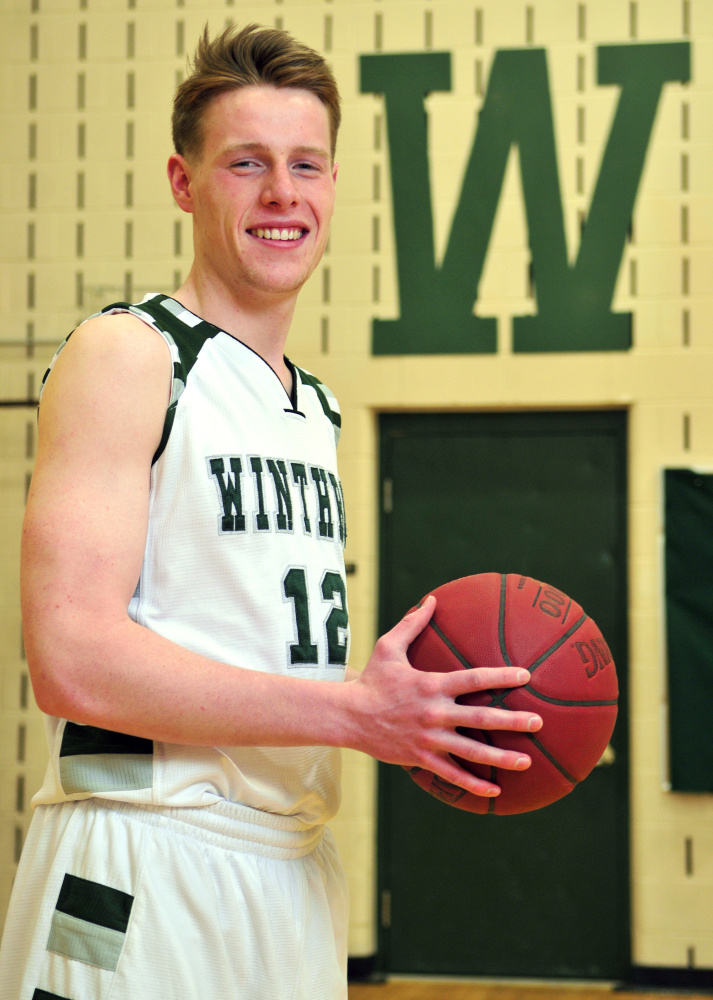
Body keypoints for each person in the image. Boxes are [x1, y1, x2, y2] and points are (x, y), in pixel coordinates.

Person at [0, 23, 542, 1000]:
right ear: (184, 181)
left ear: (332, 185)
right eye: (245, 164)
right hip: (140, 855)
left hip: (289, 864)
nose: (281, 193)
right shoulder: (130, 353)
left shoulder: (315, 406)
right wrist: (352, 711)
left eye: (306, 165)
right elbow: (70, 658)